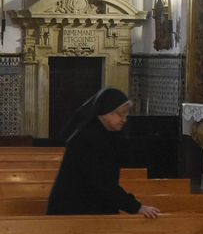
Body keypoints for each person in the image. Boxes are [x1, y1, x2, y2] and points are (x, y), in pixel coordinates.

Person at [46, 88, 161, 218]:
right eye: (120, 114)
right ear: (106, 113)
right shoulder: (88, 138)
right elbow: (102, 182)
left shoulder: (105, 133)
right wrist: (135, 207)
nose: (124, 119)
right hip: (74, 213)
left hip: (90, 209)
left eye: (126, 115)